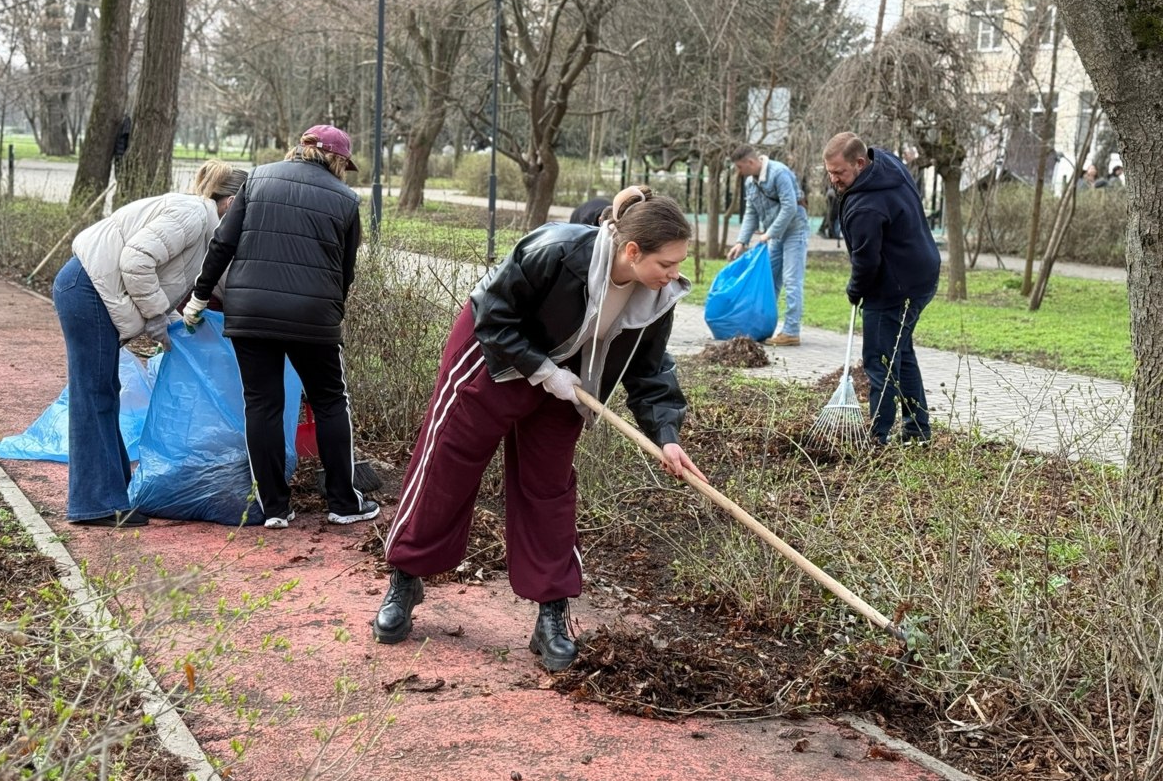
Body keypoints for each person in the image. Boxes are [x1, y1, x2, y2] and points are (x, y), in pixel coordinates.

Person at [373, 185, 708, 671]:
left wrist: (668, 437)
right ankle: (406, 577)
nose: (675, 275)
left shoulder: (657, 296)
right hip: (495, 356)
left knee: (549, 486)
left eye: (679, 264)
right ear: (632, 251)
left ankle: (551, 611)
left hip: (572, 378)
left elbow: (650, 370)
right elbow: (494, 312)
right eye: (667, 264)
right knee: (447, 461)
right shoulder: (556, 250)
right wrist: (541, 369)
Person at [183, 125, 377, 530]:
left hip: (250, 312)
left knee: (263, 404)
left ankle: (274, 508)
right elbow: (346, 272)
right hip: (313, 315)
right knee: (329, 401)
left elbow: (223, 243)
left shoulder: (257, 179)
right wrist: (331, 311)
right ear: (338, 160)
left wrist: (200, 297)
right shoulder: (345, 199)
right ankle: (343, 502)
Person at [53, 159, 247, 527]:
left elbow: (208, 282)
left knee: (103, 391)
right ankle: (96, 504)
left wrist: (184, 322)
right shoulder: (191, 214)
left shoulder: (207, 228)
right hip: (87, 290)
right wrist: (158, 315)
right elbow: (136, 262)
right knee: (93, 394)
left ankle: (110, 495)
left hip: (93, 292)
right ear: (233, 201)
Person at [822, 132, 940, 446]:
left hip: (896, 288)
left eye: (839, 173)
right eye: (830, 172)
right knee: (900, 354)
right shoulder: (885, 161)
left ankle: (879, 436)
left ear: (860, 163)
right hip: (921, 273)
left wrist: (854, 290)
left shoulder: (866, 207)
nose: (833, 179)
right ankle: (917, 431)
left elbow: (865, 262)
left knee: (879, 360)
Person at [725, 145, 808, 346]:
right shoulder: (750, 183)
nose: (738, 172)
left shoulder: (779, 173)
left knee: (791, 279)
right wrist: (741, 242)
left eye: (739, 167)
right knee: (768, 279)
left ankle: (791, 331)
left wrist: (769, 234)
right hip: (776, 235)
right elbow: (751, 213)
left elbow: (790, 207)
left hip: (795, 230)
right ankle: (762, 325)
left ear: (751, 163)